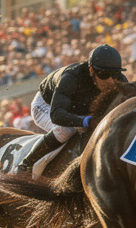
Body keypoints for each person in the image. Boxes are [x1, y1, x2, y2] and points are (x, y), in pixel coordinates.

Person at [18, 45, 126, 173]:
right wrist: (84, 121)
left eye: (115, 74)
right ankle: (25, 164)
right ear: (91, 70)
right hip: (46, 106)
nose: (110, 81)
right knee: (66, 129)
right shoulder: (71, 77)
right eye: (104, 75)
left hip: (77, 108)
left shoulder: (118, 79)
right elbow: (56, 115)